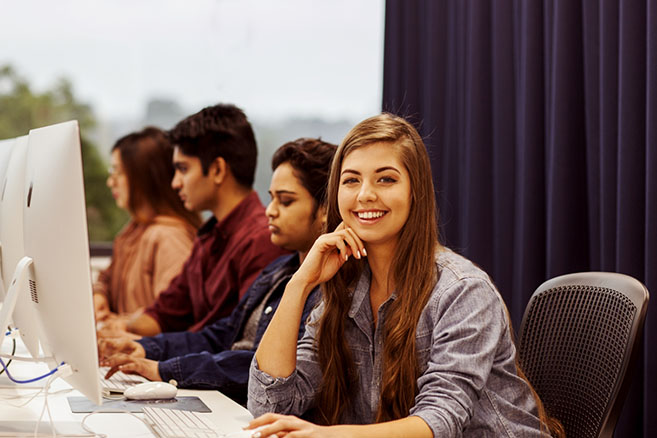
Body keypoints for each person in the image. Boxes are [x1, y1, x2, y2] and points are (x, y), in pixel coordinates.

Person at [246, 114, 565, 437]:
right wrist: (300, 284)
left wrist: (324, 435)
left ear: (416, 191)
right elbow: (269, 407)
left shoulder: (463, 291)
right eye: (351, 180)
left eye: (385, 179)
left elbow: (440, 420)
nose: (365, 195)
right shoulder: (345, 288)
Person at [98, 138, 337, 405]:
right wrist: (146, 348)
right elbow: (221, 335)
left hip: (248, 403)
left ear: (327, 208)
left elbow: (262, 366)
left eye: (285, 201)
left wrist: (163, 368)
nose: (269, 212)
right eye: (272, 199)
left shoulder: (328, 287)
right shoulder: (279, 270)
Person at [98, 104, 287, 338]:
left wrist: (149, 350)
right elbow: (165, 313)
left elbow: (236, 345)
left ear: (217, 169)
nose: (175, 182)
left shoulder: (260, 241)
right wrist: (117, 329)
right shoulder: (208, 238)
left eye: (183, 169)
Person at [94, 127, 201, 323]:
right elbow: (107, 277)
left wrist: (114, 323)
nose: (111, 182)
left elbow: (168, 320)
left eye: (117, 172)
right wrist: (100, 296)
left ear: (143, 177)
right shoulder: (134, 230)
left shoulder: (169, 238)